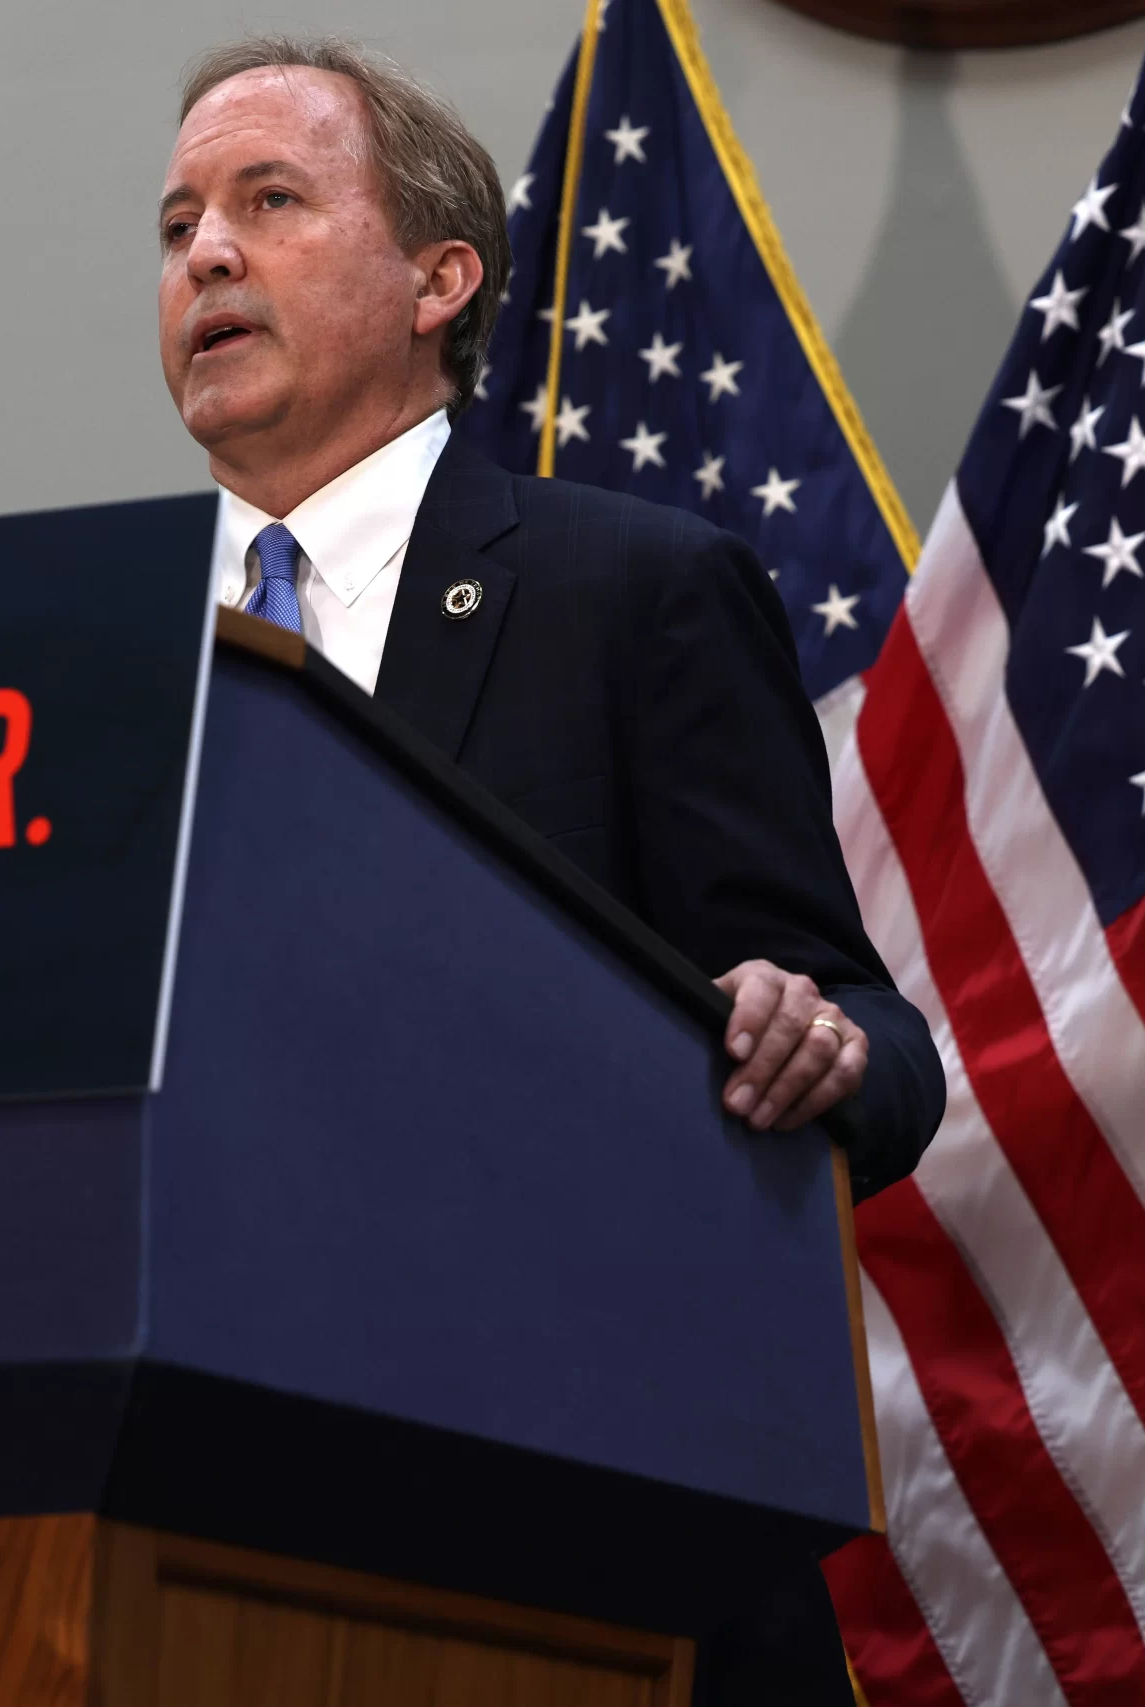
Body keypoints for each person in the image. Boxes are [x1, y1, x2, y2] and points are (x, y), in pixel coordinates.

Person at [157, 37, 943, 1706]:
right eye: (177, 226)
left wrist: (820, 1039)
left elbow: (870, 1034)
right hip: (186, 1532)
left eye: (269, 201)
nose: (204, 254)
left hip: (577, 1536)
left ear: (444, 277)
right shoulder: (103, 656)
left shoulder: (635, 596)